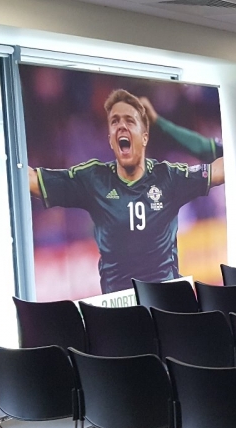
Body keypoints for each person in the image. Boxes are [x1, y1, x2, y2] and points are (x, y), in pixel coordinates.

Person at [27, 89, 225, 294]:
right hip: (119, 308)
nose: (121, 126)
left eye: (130, 121)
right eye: (115, 122)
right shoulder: (94, 179)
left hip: (166, 304)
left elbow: (223, 167)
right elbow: (31, 180)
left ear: (145, 137)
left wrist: (163, 125)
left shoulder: (169, 177)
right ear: (111, 139)